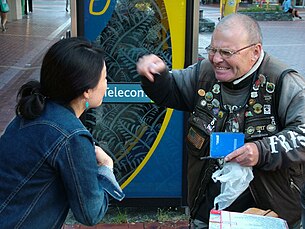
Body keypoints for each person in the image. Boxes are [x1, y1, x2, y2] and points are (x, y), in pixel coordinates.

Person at [137, 13, 305, 228]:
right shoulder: (205, 73)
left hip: (265, 213)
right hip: (209, 207)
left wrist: (261, 150)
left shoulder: (283, 81)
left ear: (255, 51)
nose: (216, 59)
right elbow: (172, 90)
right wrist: (156, 75)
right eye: (213, 50)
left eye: (226, 52)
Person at [0, 37, 124, 228]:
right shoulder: (72, 137)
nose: (107, 84)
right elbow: (91, 213)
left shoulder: (32, 112)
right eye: (105, 78)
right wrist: (107, 166)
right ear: (87, 91)